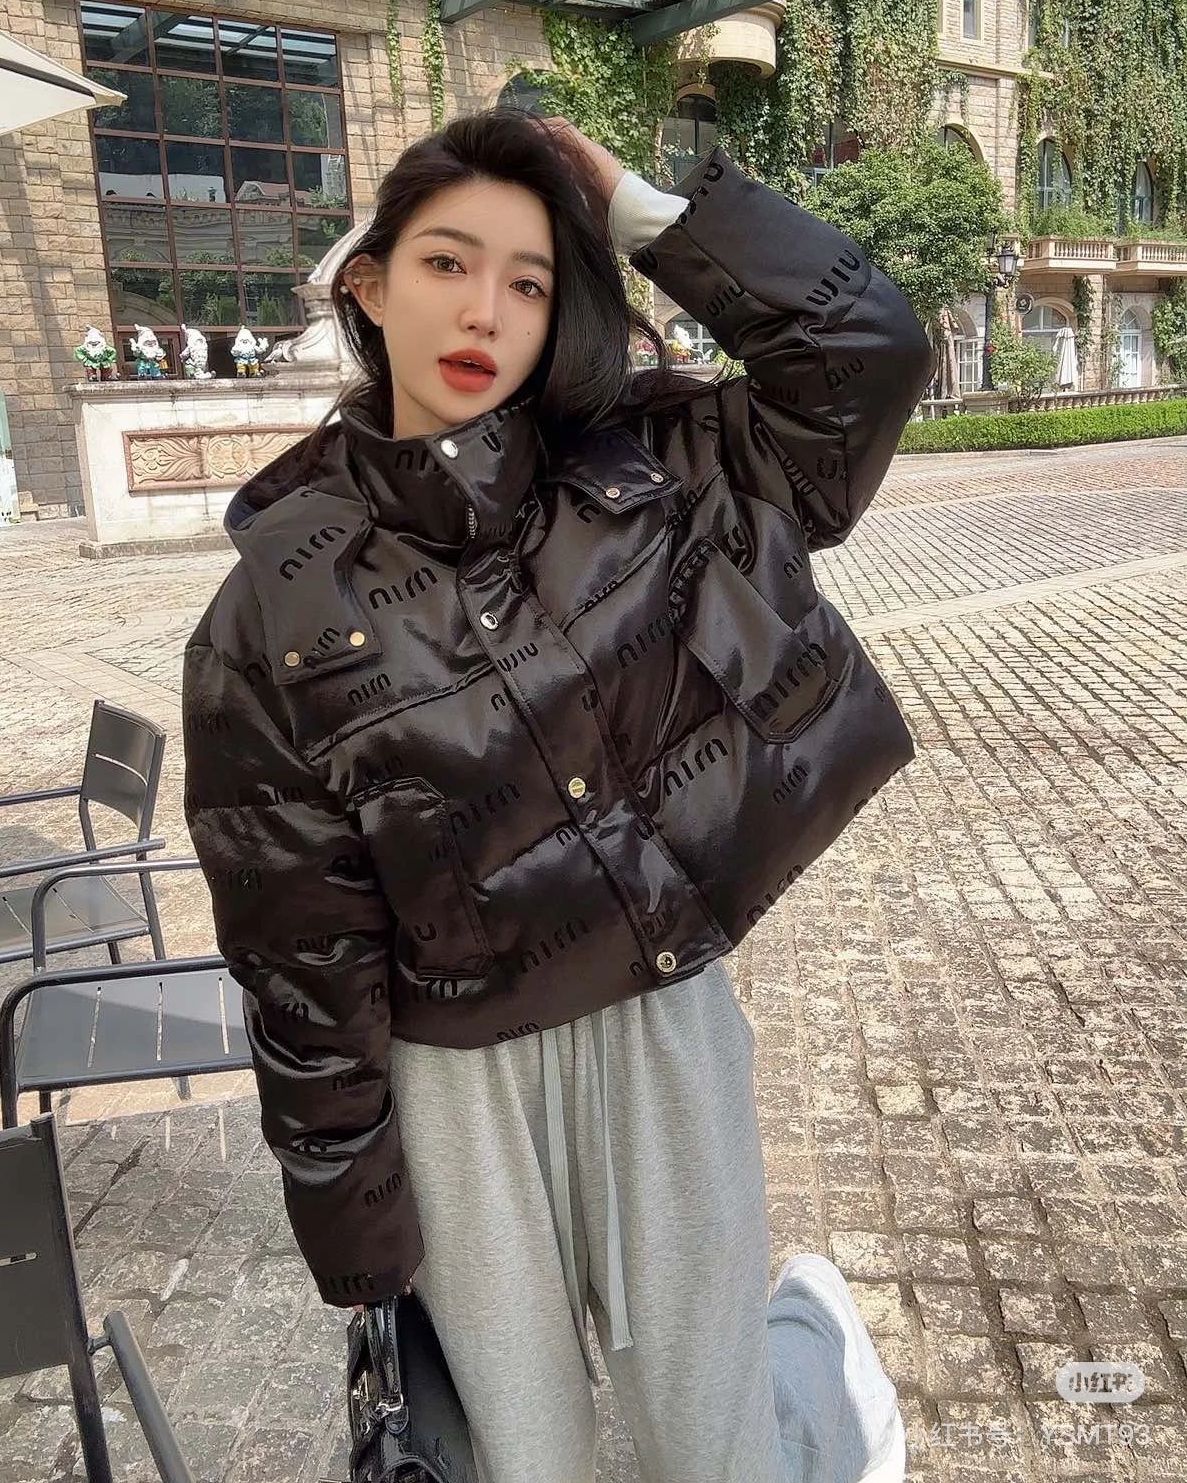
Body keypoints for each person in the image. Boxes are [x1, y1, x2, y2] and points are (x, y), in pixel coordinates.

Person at [182, 109, 934, 1483]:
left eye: (528, 281)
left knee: (709, 1447)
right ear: (369, 286)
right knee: (529, 1459)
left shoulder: (649, 466)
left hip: (659, 1025)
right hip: (457, 1083)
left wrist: (644, 211)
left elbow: (863, 355)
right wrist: (356, 1237)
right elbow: (300, 950)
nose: (485, 311)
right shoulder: (273, 611)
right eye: (447, 263)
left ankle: (815, 1359)